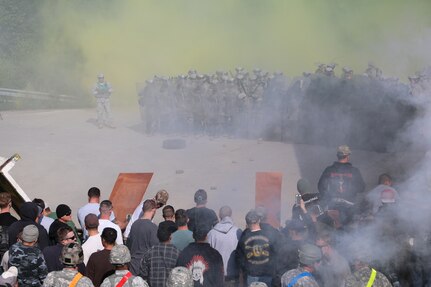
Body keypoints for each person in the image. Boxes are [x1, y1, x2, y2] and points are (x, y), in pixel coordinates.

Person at [317, 145, 365, 226]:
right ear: (347, 156)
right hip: (349, 205)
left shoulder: (329, 170)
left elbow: (321, 186)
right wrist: (351, 191)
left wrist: (328, 197)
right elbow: (362, 188)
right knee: (348, 231)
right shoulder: (354, 171)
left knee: (332, 230)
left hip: (333, 204)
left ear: (337, 156)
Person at [236, 210, 278, 286]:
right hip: (267, 273)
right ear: (259, 220)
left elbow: (239, 257)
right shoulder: (269, 234)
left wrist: (245, 269)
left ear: (247, 223)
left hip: (251, 275)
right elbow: (276, 252)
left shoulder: (243, 237)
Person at [207, 205, 242, 286]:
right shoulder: (238, 232)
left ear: (219, 215)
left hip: (217, 275)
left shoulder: (212, 233)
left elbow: (208, 254)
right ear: (231, 214)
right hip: (233, 275)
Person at [126, 199, 159, 275]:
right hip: (145, 266)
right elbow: (155, 248)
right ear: (153, 210)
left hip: (133, 264)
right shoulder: (153, 227)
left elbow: (130, 243)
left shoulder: (134, 224)